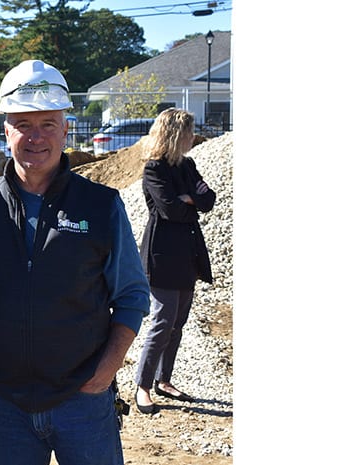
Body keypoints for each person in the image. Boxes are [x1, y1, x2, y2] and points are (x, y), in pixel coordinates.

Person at [0, 59, 150, 465]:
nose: (36, 137)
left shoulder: (101, 205)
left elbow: (133, 294)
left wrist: (105, 371)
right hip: (6, 403)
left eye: (47, 123)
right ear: (5, 129)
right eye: (23, 124)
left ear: (66, 127)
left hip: (82, 401)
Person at [133, 108, 215, 413]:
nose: (193, 137)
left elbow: (208, 200)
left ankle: (163, 380)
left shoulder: (188, 165)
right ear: (175, 134)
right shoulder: (154, 169)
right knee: (162, 322)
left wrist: (189, 199)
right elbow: (170, 210)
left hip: (188, 253)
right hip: (162, 254)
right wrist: (189, 198)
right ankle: (142, 386)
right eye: (189, 131)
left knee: (177, 323)